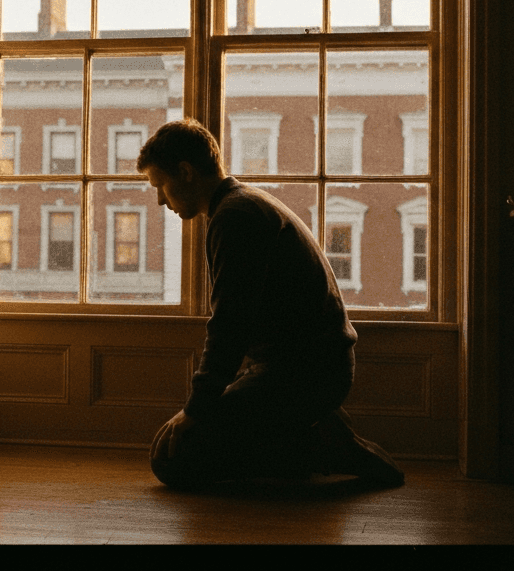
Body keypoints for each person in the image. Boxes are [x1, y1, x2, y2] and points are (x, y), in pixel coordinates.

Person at [138, 118, 405, 488]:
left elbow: (229, 324)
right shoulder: (243, 204)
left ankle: (322, 446)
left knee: (172, 462)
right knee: (182, 449)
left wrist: (195, 410)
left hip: (305, 374)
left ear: (184, 172)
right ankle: (318, 428)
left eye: (159, 185)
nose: (159, 199)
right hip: (309, 368)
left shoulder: (234, 217)